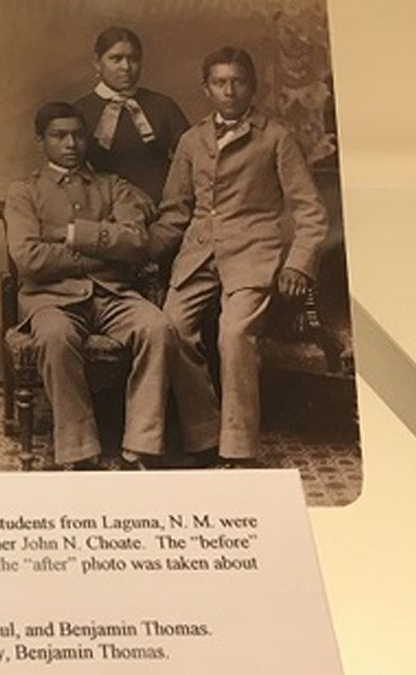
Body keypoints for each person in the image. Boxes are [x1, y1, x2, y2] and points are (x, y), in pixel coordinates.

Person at [150, 47, 329, 468]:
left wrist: (298, 262)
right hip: (198, 253)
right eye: (219, 83)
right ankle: (203, 437)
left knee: (233, 335)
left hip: (253, 252)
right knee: (171, 328)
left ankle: (239, 449)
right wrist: (143, 253)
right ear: (206, 89)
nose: (229, 91)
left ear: (252, 86)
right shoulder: (191, 140)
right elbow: (174, 210)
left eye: (238, 82)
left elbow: (310, 211)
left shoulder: (276, 137)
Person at [4, 102, 173, 470]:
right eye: (59, 136)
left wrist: (69, 235)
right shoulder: (24, 192)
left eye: (78, 135)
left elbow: (136, 242)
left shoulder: (111, 186)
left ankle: (140, 445)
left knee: (157, 327)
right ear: (40, 141)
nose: (70, 144)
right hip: (51, 299)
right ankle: (80, 451)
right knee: (54, 336)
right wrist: (103, 251)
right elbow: (29, 259)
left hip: (113, 295)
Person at [72, 27, 189, 205]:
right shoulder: (79, 111)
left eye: (133, 59)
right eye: (116, 59)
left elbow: (191, 159)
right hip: (106, 209)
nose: (126, 67)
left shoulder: (163, 106)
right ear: (97, 62)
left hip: (165, 207)